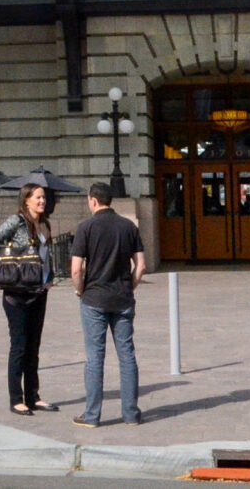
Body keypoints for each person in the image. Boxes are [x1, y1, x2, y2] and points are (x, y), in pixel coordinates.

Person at [70, 181, 145, 426]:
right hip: (122, 298)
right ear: (110, 201)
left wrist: (80, 290)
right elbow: (141, 265)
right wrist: (130, 286)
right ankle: (131, 414)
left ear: (93, 200)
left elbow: (76, 269)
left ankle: (92, 415)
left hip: (94, 299)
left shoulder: (86, 227)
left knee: (95, 358)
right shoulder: (128, 226)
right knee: (127, 355)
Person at [0, 183, 57, 415]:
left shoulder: (44, 224)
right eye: (37, 198)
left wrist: (49, 277)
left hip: (39, 293)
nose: (42, 201)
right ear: (26, 200)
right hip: (17, 296)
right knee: (19, 347)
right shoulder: (17, 221)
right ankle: (16, 398)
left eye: (44, 197)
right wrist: (0, 274)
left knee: (34, 347)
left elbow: (45, 256)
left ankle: (33, 395)